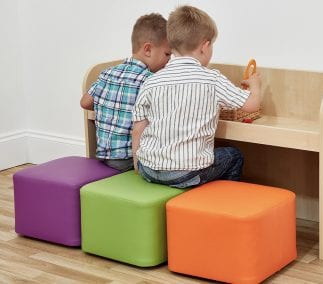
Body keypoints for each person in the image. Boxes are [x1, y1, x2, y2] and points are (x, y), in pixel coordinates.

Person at [132, 5, 261, 188]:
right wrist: (255, 86)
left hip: (150, 169)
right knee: (234, 155)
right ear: (205, 46)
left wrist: (138, 165)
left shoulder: (152, 80)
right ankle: (220, 207)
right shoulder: (212, 79)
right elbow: (252, 105)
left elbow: (139, 128)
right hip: (186, 172)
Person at [80, 13, 171, 172]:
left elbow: (85, 102)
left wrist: (110, 104)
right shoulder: (149, 80)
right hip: (129, 158)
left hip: (103, 156)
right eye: (167, 54)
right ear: (148, 49)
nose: (169, 60)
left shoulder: (108, 73)